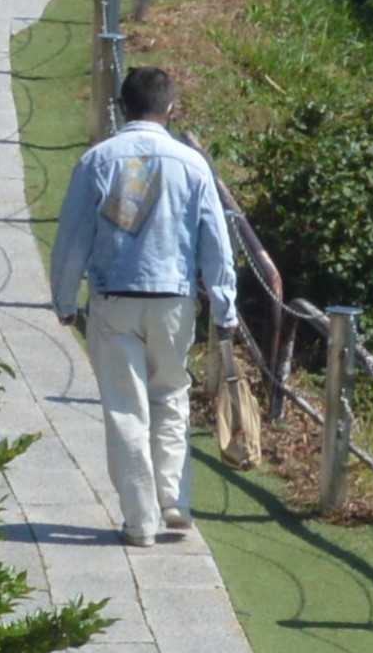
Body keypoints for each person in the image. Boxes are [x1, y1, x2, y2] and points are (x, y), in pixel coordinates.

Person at [50, 63, 239, 547]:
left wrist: (65, 297)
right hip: (174, 299)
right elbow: (215, 241)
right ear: (171, 108)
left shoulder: (98, 160)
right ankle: (174, 497)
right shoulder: (193, 164)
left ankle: (140, 520)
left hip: (114, 298)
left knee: (125, 408)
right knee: (171, 394)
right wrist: (224, 305)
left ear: (120, 106)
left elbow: (73, 237)